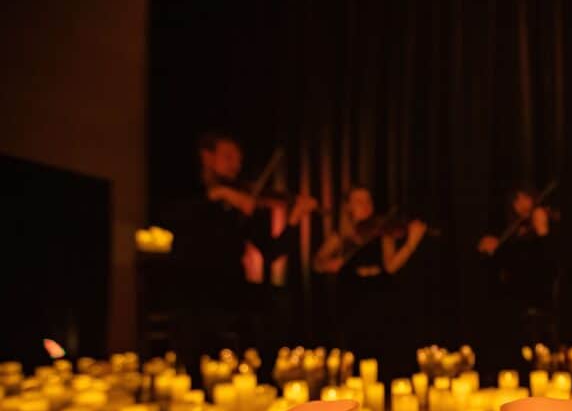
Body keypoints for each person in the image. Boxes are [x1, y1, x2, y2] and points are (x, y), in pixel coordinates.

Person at [166, 131, 317, 374]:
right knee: (196, 326)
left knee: (277, 304)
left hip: (228, 289)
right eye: (229, 157)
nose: (236, 165)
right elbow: (174, 220)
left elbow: (271, 251)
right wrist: (220, 195)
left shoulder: (242, 203)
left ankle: (262, 378)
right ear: (207, 157)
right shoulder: (189, 192)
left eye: (239, 159)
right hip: (192, 289)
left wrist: (295, 218)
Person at [313, 185, 427, 362]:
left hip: (380, 300)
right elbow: (317, 262)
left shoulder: (382, 232)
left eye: (368, 200)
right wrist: (328, 264)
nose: (365, 205)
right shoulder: (342, 236)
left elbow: (390, 267)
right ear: (348, 207)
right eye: (359, 201)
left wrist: (411, 243)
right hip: (352, 303)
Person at [476, 186, 557, 367]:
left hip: (540, 306)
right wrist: (491, 250)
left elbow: (551, 268)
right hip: (511, 309)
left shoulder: (546, 229)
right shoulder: (511, 231)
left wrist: (543, 232)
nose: (522, 204)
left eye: (526, 197)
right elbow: (504, 271)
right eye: (517, 199)